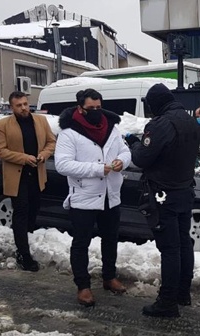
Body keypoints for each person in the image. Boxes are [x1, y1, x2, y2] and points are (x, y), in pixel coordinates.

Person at [125, 83, 200, 318]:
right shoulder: (190, 120)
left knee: (170, 248)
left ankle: (167, 302)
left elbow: (142, 158)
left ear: (155, 104)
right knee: (183, 243)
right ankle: (182, 292)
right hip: (184, 191)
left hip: (163, 194)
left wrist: (133, 141)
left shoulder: (160, 125)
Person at [55, 88, 131, 307]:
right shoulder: (69, 133)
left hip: (110, 194)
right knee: (81, 242)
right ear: (81, 108)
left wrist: (121, 162)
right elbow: (63, 164)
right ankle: (83, 286)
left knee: (111, 238)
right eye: (91, 109)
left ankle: (109, 277)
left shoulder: (112, 127)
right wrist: (98, 169)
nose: (97, 112)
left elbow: (125, 151)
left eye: (99, 107)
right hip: (84, 196)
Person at [0, 91, 56, 272]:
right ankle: (23, 254)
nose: (23, 108)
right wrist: (23, 158)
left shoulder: (41, 121)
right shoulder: (2, 125)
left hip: (36, 174)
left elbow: (51, 142)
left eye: (25, 104)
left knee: (34, 209)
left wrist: (44, 155)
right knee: (20, 212)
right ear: (11, 107)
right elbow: (0, 151)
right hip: (17, 175)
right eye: (19, 105)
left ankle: (26, 239)